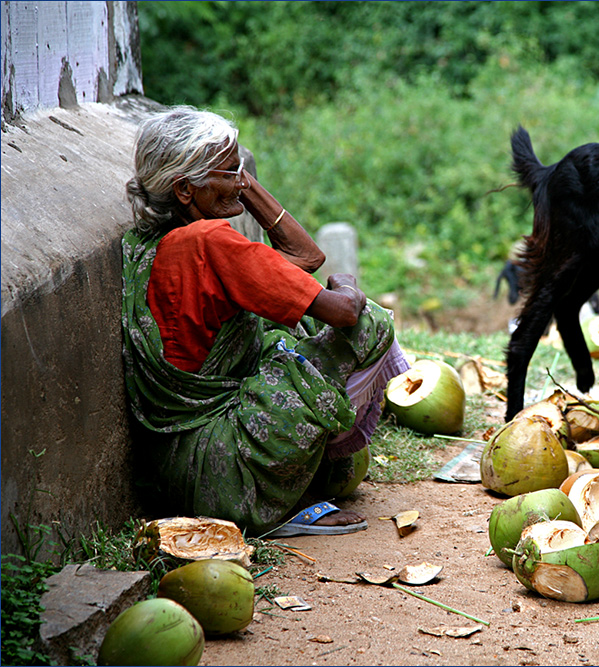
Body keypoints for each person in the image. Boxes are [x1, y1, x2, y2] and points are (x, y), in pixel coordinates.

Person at [121, 106, 409, 537]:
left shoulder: (151, 242)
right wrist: (348, 284)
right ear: (184, 189)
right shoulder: (209, 241)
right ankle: (282, 501)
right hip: (225, 475)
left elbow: (303, 260)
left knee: (291, 331)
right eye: (229, 170)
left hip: (179, 473)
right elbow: (343, 310)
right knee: (369, 323)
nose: (241, 180)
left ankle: (293, 474)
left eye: (242, 169)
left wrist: (233, 177)